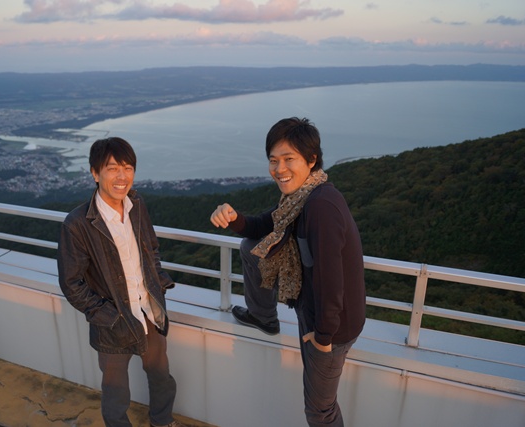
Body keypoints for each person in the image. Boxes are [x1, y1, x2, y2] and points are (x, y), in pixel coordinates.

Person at [210, 117, 366, 426]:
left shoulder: (321, 206)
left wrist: (321, 339)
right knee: (249, 245)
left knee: (320, 411)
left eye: (289, 159)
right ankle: (263, 316)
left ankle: (270, 318)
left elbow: (331, 281)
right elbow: (261, 226)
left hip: (331, 327)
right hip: (312, 310)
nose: (279, 168)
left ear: (311, 159)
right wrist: (233, 218)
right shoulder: (298, 199)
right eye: (273, 160)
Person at [57, 137, 183, 427]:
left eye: (128, 168)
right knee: (116, 395)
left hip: (147, 312)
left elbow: (151, 248)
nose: (122, 176)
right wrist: (108, 316)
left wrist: (158, 282)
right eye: (113, 168)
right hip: (113, 322)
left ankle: (162, 421)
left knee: (162, 376)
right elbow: (71, 283)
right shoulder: (77, 223)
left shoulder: (137, 205)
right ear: (95, 173)